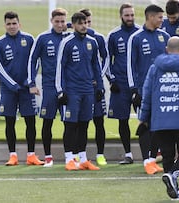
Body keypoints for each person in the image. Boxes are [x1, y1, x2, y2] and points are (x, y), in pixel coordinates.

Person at [139, 36, 179, 200]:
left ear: (167, 50)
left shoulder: (155, 68)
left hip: (160, 119)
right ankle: (173, 176)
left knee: (167, 155)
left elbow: (147, 95)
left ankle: (174, 192)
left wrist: (144, 117)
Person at [0, 11, 44, 166]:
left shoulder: (29, 39)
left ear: (19, 24)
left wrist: (30, 82)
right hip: (9, 89)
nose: (12, 26)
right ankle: (13, 156)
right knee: (10, 122)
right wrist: (13, 85)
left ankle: (31, 155)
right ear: (5, 25)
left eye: (14, 23)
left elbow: (35, 61)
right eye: (8, 24)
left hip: (26, 88)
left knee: (30, 121)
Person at [56, 12, 104, 171]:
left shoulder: (92, 42)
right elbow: (60, 68)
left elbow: (96, 66)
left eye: (85, 23)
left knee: (84, 124)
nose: (84, 26)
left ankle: (83, 158)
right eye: (80, 23)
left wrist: (100, 87)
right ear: (74, 25)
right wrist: (60, 90)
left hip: (87, 90)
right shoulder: (67, 42)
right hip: (72, 91)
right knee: (70, 125)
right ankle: (69, 158)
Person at [127, 4, 170, 174]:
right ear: (150, 17)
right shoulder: (136, 38)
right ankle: (146, 161)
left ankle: (152, 159)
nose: (162, 20)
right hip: (143, 91)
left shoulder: (165, 36)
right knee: (144, 124)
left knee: (158, 125)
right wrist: (134, 90)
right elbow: (130, 65)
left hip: (162, 90)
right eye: (160, 17)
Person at [27, 8, 69, 167]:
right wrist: (31, 83)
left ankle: (70, 157)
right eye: (57, 21)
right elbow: (32, 60)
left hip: (67, 88)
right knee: (47, 122)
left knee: (69, 123)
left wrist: (71, 25)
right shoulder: (43, 38)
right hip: (49, 87)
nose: (60, 24)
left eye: (63, 21)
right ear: (51, 21)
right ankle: (48, 157)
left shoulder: (70, 37)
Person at [106, 3, 140, 165]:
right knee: (122, 119)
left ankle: (149, 154)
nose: (130, 18)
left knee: (145, 118)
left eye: (132, 15)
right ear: (121, 16)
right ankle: (128, 154)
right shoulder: (113, 35)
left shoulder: (141, 33)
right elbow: (106, 60)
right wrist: (111, 80)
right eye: (127, 15)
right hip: (120, 84)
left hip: (138, 85)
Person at [79, 8, 110, 166]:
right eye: (84, 22)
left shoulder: (98, 37)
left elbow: (106, 59)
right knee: (81, 123)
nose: (87, 25)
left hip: (96, 86)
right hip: (80, 87)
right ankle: (80, 155)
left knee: (99, 121)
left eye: (89, 21)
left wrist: (99, 78)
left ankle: (100, 154)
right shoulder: (73, 39)